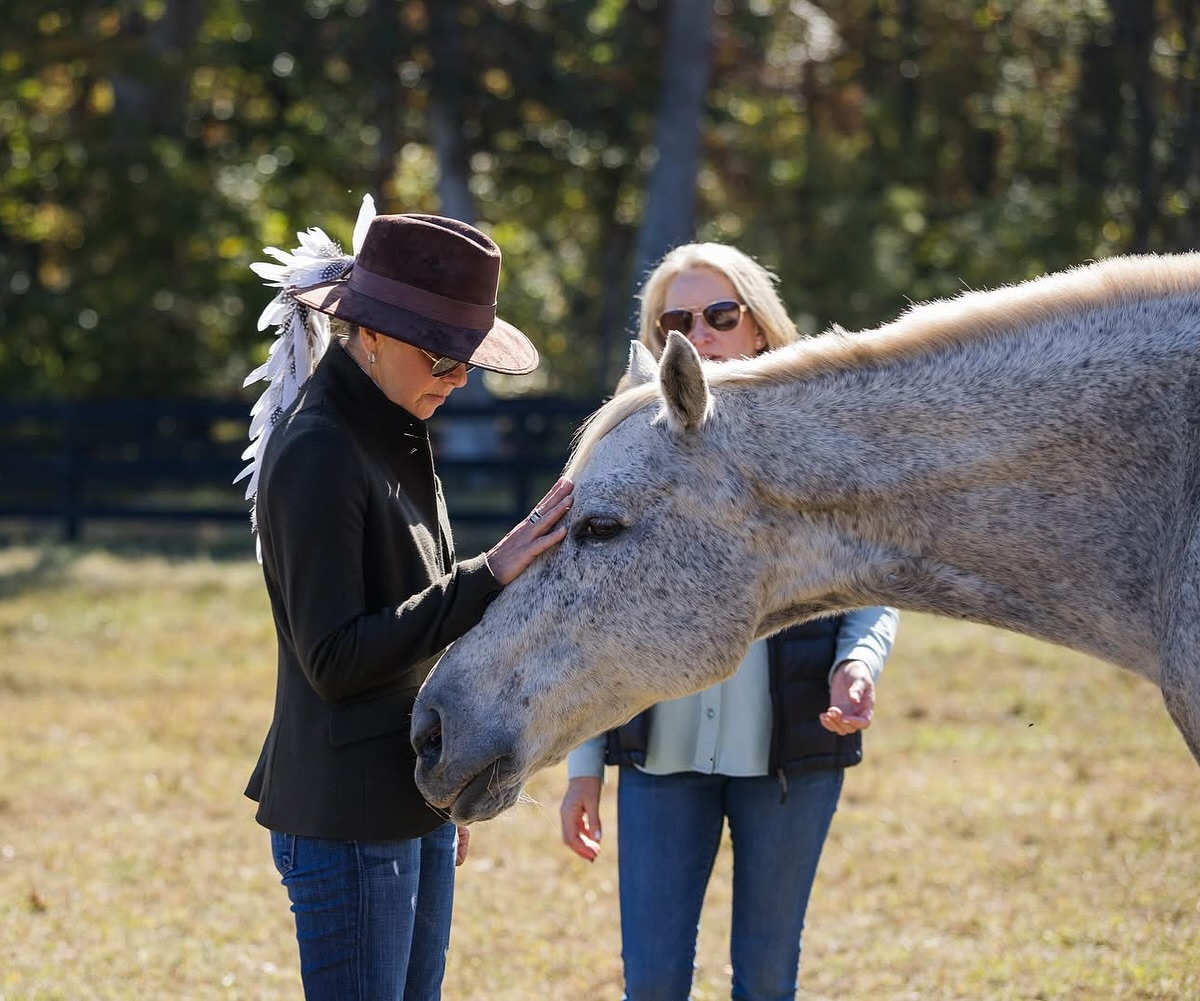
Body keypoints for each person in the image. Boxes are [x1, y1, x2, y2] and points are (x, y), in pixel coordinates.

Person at [241, 201, 573, 1000]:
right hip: (350, 814)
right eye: (441, 360)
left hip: (410, 794)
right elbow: (336, 659)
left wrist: (445, 783)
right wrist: (488, 575)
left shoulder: (392, 421)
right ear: (372, 332)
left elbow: (414, 621)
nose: (456, 381)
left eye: (468, 364)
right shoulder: (321, 448)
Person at [559, 242, 898, 1001]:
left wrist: (859, 663)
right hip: (657, 757)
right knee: (650, 983)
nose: (698, 335)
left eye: (718, 315)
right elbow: (587, 610)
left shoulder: (817, 447)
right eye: (675, 321)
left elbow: (872, 583)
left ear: (759, 330)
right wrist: (584, 769)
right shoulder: (624, 457)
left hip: (792, 759)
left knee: (769, 979)